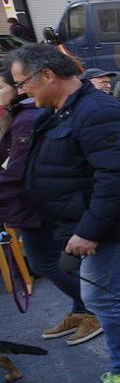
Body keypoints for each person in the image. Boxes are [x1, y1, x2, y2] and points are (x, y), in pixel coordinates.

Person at [11, 45, 120, 383]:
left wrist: (89, 231)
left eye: (23, 83)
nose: (22, 91)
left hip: (109, 224)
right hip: (102, 220)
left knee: (102, 296)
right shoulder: (64, 110)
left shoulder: (96, 111)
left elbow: (117, 179)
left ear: (47, 75)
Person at [0, 65, 100, 345]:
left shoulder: (27, 118)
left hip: (38, 204)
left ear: (18, 89)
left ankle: (94, 308)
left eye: (1, 87)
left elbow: (16, 170)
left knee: (45, 262)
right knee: (58, 261)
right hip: (31, 204)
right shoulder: (16, 117)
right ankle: (82, 309)